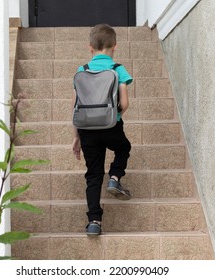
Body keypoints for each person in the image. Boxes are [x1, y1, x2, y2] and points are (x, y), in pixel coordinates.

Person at [72, 24, 133, 236]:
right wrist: (114, 117)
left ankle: (94, 222)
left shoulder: (81, 71)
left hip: (87, 129)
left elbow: (76, 106)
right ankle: (115, 178)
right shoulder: (117, 69)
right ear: (114, 46)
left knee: (93, 174)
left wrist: (76, 136)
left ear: (90, 48)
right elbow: (124, 103)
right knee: (124, 148)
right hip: (111, 125)